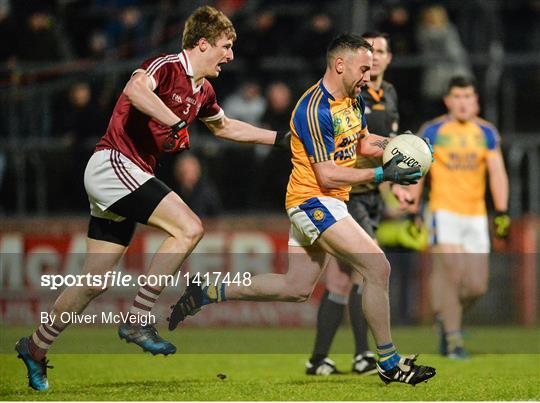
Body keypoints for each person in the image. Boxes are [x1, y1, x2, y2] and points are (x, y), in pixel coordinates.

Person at [15, 6, 291, 392]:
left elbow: (226, 127)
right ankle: (139, 317)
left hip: (123, 177)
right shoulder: (166, 66)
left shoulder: (204, 90)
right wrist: (174, 121)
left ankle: (35, 347)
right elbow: (134, 89)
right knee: (190, 227)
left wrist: (281, 139)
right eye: (226, 46)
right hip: (113, 163)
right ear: (202, 44)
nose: (230, 55)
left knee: (94, 281)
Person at [169, 33, 436, 386]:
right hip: (313, 200)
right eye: (364, 69)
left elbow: (363, 141)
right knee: (377, 266)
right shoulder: (314, 109)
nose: (369, 77)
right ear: (339, 65)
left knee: (295, 287)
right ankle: (388, 361)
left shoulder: (352, 100)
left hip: (327, 201)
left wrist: (405, 146)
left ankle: (209, 291)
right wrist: (385, 173)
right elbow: (327, 173)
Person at [306, 31, 411, 376]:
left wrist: (406, 156)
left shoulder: (386, 94)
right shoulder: (337, 100)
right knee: (368, 271)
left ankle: (322, 358)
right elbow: (357, 153)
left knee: (337, 280)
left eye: (381, 51)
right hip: (348, 197)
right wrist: (388, 171)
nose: (376, 59)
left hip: (369, 197)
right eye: (370, 54)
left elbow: (377, 145)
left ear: (389, 57)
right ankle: (367, 355)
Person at [410, 76, 510, 359]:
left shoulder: (486, 132)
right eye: (457, 97)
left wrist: (501, 212)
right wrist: (414, 208)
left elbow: (498, 172)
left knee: (477, 286)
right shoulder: (433, 130)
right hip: (444, 212)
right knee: (452, 275)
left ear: (476, 100)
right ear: (448, 100)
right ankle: (454, 342)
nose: (463, 103)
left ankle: (445, 319)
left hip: (476, 215)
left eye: (468, 97)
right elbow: (417, 169)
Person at [172, 153, 222, 218]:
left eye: (191, 172)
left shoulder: (207, 192)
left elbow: (216, 215)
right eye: (185, 172)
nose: (189, 176)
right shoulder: (173, 192)